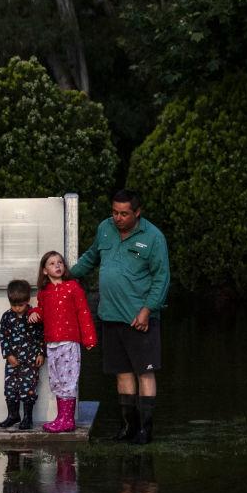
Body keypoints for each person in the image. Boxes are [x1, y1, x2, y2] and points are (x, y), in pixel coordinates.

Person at [70, 188, 170, 444]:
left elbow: (161, 278)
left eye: (124, 214)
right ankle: (128, 428)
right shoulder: (105, 228)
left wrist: (147, 310)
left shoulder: (153, 237)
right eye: (115, 212)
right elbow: (92, 256)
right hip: (110, 316)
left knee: (144, 373)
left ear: (137, 212)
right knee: (122, 373)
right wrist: (65, 275)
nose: (118, 218)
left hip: (139, 318)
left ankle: (146, 430)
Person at [27, 250, 97, 433]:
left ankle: (68, 420)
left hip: (69, 342)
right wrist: (34, 312)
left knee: (68, 380)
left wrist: (89, 337)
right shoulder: (45, 293)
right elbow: (43, 310)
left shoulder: (73, 287)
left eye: (60, 262)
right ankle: (61, 418)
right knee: (57, 380)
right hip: (52, 343)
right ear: (44, 271)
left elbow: (83, 313)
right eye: (52, 263)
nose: (57, 265)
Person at [0, 279, 45, 430]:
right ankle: (13, 415)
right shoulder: (6, 317)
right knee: (10, 388)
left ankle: (27, 418)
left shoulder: (34, 316)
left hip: (30, 361)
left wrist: (41, 353)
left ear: (27, 301)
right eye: (14, 305)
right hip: (12, 361)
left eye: (21, 305)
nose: (17, 308)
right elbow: (3, 337)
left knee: (28, 389)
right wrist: (8, 354)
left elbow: (42, 335)